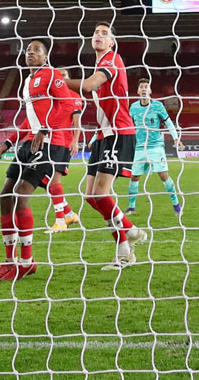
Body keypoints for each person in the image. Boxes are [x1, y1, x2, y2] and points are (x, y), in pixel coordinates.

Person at [62, 21, 147, 270]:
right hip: (102, 135)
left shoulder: (111, 59)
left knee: (101, 193)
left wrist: (57, 81)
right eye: (96, 33)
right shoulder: (100, 63)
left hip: (119, 131)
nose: (99, 36)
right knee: (90, 196)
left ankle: (131, 231)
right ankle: (125, 252)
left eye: (104, 34)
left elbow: (88, 86)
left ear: (111, 42)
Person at [0, 39, 69, 281]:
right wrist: (8, 142)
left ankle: (27, 261)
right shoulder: (27, 82)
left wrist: (45, 128)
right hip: (29, 142)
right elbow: (29, 119)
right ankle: (9, 262)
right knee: (5, 197)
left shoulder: (52, 75)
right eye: (28, 50)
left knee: (21, 195)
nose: (30, 53)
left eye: (36, 50)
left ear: (46, 56)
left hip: (50, 142)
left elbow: (69, 104)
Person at [127, 78, 183, 217]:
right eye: (142, 87)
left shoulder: (157, 106)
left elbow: (169, 123)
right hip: (139, 147)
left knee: (164, 176)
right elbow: (128, 126)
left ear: (150, 91)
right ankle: (131, 207)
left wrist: (176, 138)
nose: (144, 89)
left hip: (156, 147)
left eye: (147, 87)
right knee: (134, 177)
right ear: (138, 91)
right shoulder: (133, 107)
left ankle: (176, 205)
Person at [42, 66, 83, 233]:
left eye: (65, 76)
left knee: (53, 181)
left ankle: (61, 221)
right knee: (44, 181)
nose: (62, 79)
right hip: (50, 142)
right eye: (59, 76)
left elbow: (77, 122)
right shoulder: (52, 97)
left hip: (64, 144)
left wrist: (75, 141)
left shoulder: (74, 97)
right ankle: (69, 214)